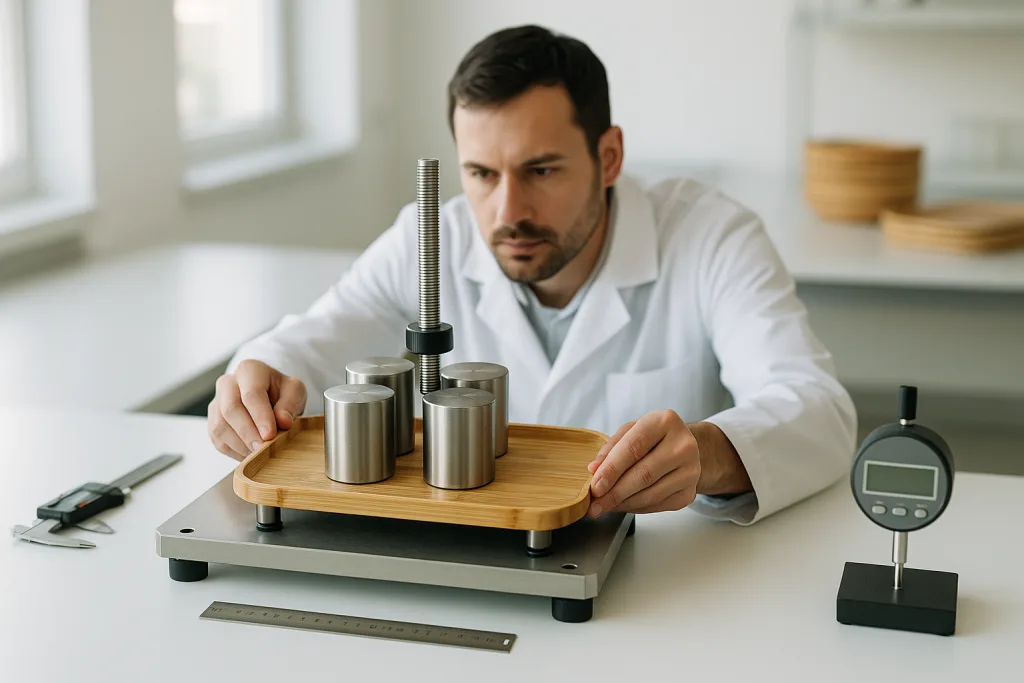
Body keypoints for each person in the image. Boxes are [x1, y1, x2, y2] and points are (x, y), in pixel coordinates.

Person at [208, 24, 857, 526]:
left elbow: (818, 408)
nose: (507, 212)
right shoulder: (433, 235)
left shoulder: (712, 236)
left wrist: (708, 450)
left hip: (659, 576)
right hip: (472, 559)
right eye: (482, 174)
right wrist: (256, 380)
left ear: (609, 157)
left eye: (541, 171)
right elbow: (313, 338)